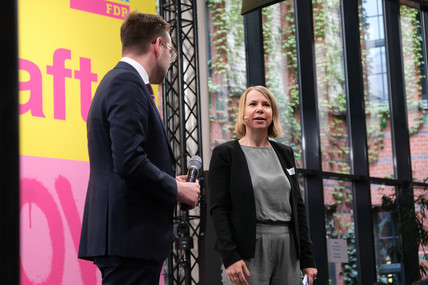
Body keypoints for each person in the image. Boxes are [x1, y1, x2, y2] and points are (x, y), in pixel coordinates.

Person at [78, 11, 200, 284]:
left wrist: (169, 181)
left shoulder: (121, 81)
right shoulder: (126, 82)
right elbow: (129, 161)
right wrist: (176, 188)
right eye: (171, 51)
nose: (170, 60)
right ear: (158, 46)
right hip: (129, 236)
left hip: (128, 237)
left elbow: (126, 158)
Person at [209, 86, 317, 285]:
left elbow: (298, 207)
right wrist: (230, 256)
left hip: (288, 248)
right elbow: (219, 209)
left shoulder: (285, 153)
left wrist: (308, 259)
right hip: (247, 249)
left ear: (273, 114)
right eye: (253, 104)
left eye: (266, 105)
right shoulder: (225, 154)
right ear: (242, 113)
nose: (260, 109)